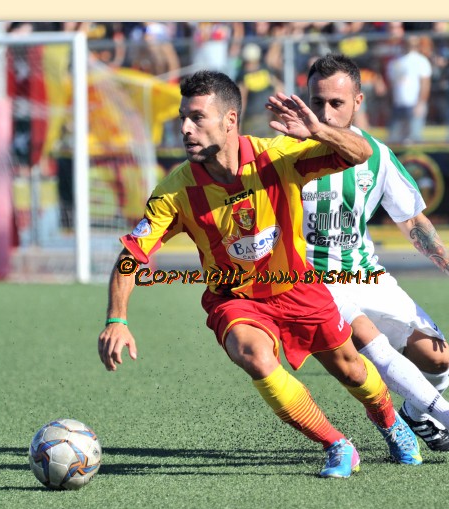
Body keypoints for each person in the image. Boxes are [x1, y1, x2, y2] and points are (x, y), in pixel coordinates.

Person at [98, 70, 424, 479]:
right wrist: (117, 319)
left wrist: (319, 132)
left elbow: (360, 154)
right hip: (235, 299)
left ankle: (392, 424)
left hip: (298, 287)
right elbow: (132, 254)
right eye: (183, 118)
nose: (185, 129)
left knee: (352, 369)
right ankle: (337, 445)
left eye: (197, 118)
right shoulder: (175, 191)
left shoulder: (279, 156)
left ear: (230, 120)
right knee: (252, 352)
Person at [302, 54, 449, 451]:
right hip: (312, 280)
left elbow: (413, 222)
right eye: (317, 101)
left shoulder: (377, 155)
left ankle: (415, 413)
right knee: (368, 339)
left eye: (336, 103)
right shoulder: (286, 152)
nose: (325, 112)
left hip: (363, 273)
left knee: (438, 359)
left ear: (358, 101)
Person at [386, 35, 432, 144]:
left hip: (414, 104)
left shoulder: (421, 61)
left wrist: (421, 103)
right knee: (394, 139)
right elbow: (391, 85)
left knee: (414, 138)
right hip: (398, 105)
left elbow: (425, 84)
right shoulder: (395, 62)